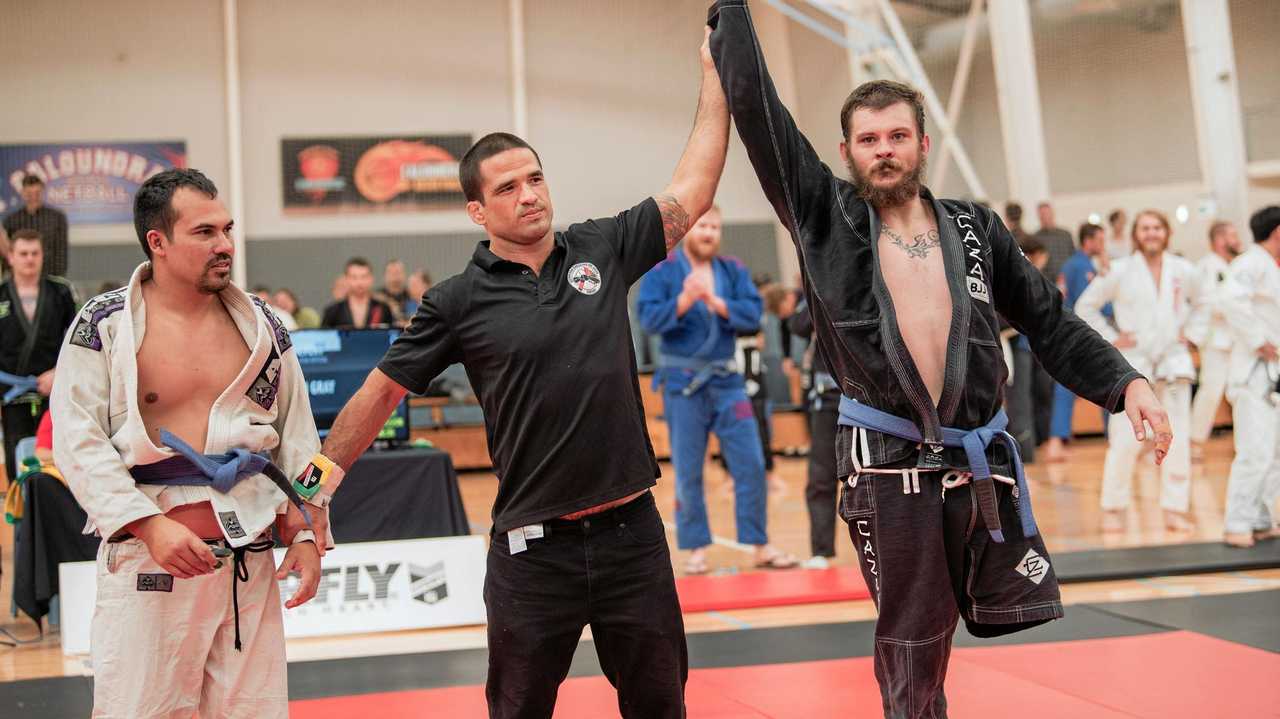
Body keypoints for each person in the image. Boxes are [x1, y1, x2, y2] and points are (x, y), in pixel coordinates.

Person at [708, 3, 1170, 715]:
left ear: (923, 143)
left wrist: (1126, 382)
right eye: (868, 139)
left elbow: (1048, 319)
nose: (884, 149)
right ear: (846, 151)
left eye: (898, 135)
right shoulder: (823, 216)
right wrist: (730, 13)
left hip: (973, 458)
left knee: (975, 616)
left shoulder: (974, 226)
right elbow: (758, 112)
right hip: (888, 464)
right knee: (915, 638)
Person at [291, 29, 728, 718]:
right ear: (477, 209)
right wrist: (312, 488)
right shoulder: (457, 301)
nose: (529, 194)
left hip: (631, 539)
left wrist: (716, 72)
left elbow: (693, 189)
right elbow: (379, 394)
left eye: (535, 177)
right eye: (508, 187)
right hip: (533, 555)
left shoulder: (602, 246)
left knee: (662, 708)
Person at [51, 168, 325, 718]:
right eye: (204, 232)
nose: (224, 245)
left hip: (247, 565)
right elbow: (77, 439)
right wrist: (148, 525)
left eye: (227, 229)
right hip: (149, 564)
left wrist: (306, 530)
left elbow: (297, 436)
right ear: (158, 241)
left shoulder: (263, 326)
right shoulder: (104, 325)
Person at [637, 205, 796, 575]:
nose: (708, 233)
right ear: (686, 230)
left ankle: (759, 543)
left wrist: (715, 302)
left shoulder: (732, 271)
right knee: (689, 468)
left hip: (728, 384)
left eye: (713, 227)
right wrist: (685, 300)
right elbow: (648, 319)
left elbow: (752, 314)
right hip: (683, 386)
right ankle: (696, 549)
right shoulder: (663, 273)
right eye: (701, 226)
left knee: (752, 463)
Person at [1076, 210, 1200, 532]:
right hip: (1134, 367)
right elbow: (1084, 307)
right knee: (1125, 439)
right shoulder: (1118, 271)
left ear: (1166, 233)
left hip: (1173, 364)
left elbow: (1206, 304)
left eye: (1157, 227)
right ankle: (1113, 508)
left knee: (1178, 439)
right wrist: (1113, 337)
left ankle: (1175, 508)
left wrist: (1194, 333)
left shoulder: (1183, 270)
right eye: (1145, 228)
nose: (1151, 233)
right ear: (1136, 235)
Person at [1218, 206, 1280, 548]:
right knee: (1254, 451)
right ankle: (1236, 523)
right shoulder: (1249, 263)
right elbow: (1230, 302)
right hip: (1253, 372)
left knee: (1273, 452)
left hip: (1271, 375)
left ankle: (1260, 518)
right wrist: (1259, 340)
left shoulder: (1269, 266)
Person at [0, 229, 77, 484]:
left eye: (35, 253)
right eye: (23, 253)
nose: (30, 259)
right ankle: (22, 513)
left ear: (42, 256)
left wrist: (60, 373)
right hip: (12, 393)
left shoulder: (61, 292)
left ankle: (54, 510)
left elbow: (80, 341)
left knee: (55, 455)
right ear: (10, 256)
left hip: (54, 392)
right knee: (17, 457)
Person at [1043, 222, 1108, 462]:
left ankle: (1056, 441)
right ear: (1088, 241)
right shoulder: (1081, 266)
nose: (1103, 246)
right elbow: (1091, 301)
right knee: (1103, 383)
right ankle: (1056, 442)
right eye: (1100, 241)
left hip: (1070, 332)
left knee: (1068, 388)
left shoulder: (1076, 264)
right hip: (1079, 334)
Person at [788, 298, 840, 569]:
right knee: (821, 477)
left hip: (870, 400)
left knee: (877, 475)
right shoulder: (816, 286)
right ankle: (822, 549)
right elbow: (797, 324)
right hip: (828, 399)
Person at [1186, 220, 1243, 459]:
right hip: (1215, 339)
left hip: (1239, 339)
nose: (1237, 240)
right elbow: (1210, 304)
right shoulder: (1206, 267)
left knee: (1241, 392)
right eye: (1232, 235)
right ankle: (1194, 441)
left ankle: (1244, 445)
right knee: (1211, 389)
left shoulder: (1238, 265)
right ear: (1219, 240)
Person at [4, 175, 69, 277]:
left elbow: (61, 252)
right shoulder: (11, 220)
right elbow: (8, 252)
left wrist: (57, 279)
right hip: (20, 278)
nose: (33, 197)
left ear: (43, 192)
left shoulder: (57, 218)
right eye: (29, 194)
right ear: (23, 193)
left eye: (37, 193)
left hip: (50, 277)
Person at [320, 257, 394, 328]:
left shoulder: (383, 309)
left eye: (364, 277)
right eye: (354, 277)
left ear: (371, 278)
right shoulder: (333, 311)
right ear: (346, 279)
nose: (359, 282)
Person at [376, 258, 412, 324]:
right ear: (384, 276)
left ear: (404, 274)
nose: (395, 277)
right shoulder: (376, 298)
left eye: (398, 272)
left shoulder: (412, 296)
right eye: (391, 273)